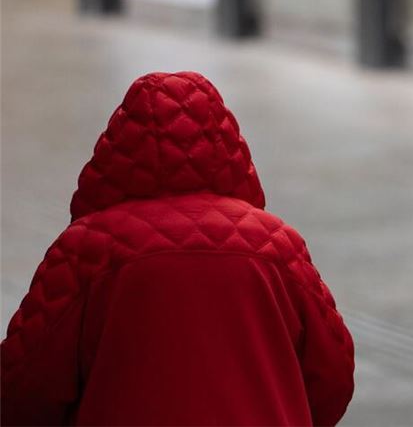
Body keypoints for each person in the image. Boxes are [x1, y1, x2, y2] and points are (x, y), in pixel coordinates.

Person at [1, 72, 355, 426]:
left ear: (117, 151)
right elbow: (332, 372)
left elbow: (22, 385)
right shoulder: (276, 246)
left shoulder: (86, 251)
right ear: (227, 145)